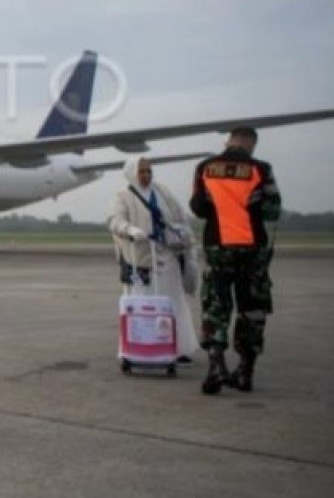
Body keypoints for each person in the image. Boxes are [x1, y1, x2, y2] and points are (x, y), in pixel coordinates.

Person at [191, 126, 281, 395]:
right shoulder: (261, 169)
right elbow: (273, 210)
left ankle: (216, 366)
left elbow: (198, 208)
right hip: (252, 248)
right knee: (252, 309)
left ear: (228, 141)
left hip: (218, 245)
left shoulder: (205, 167)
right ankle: (245, 371)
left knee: (215, 307)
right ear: (252, 144)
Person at [108, 157, 200, 363]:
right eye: (141, 171)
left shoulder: (162, 191)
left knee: (173, 302)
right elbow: (115, 221)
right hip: (141, 260)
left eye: (149, 171)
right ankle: (141, 348)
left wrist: (183, 234)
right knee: (142, 303)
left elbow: (180, 216)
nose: (146, 175)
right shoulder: (123, 196)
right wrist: (129, 230)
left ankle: (178, 348)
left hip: (168, 256)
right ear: (132, 173)